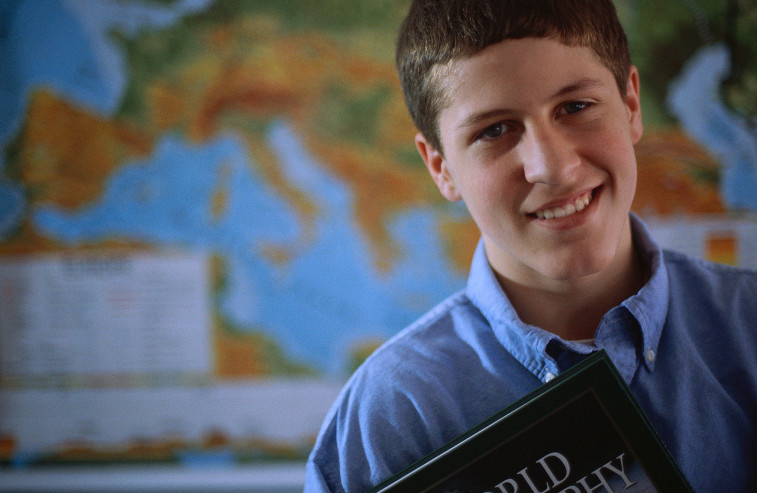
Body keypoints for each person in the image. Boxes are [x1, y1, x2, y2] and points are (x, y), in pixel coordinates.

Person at [304, 1, 757, 491]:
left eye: (575, 107)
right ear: (441, 167)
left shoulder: (748, 327)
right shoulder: (391, 417)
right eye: (494, 130)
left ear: (630, 106)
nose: (552, 168)